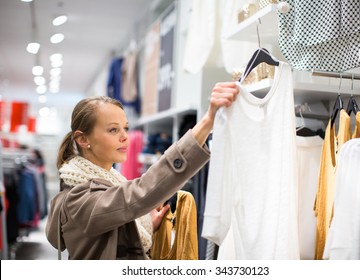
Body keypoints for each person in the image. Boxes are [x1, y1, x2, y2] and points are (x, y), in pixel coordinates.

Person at [45, 82, 239, 260]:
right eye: (113, 130)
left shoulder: (111, 180)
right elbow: (142, 190)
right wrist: (207, 122)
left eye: (125, 128)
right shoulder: (79, 199)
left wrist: (142, 226)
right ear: (83, 139)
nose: (125, 137)